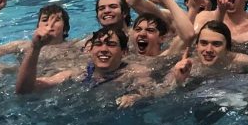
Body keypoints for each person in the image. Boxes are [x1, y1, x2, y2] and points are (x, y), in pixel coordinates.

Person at [16, 25, 151, 99]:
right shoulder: (78, 73)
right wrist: (35, 48)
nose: (103, 49)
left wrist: (135, 96)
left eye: (111, 45)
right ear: (90, 50)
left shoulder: (135, 72)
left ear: (124, 52)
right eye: (98, 44)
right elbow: (26, 89)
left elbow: (151, 92)